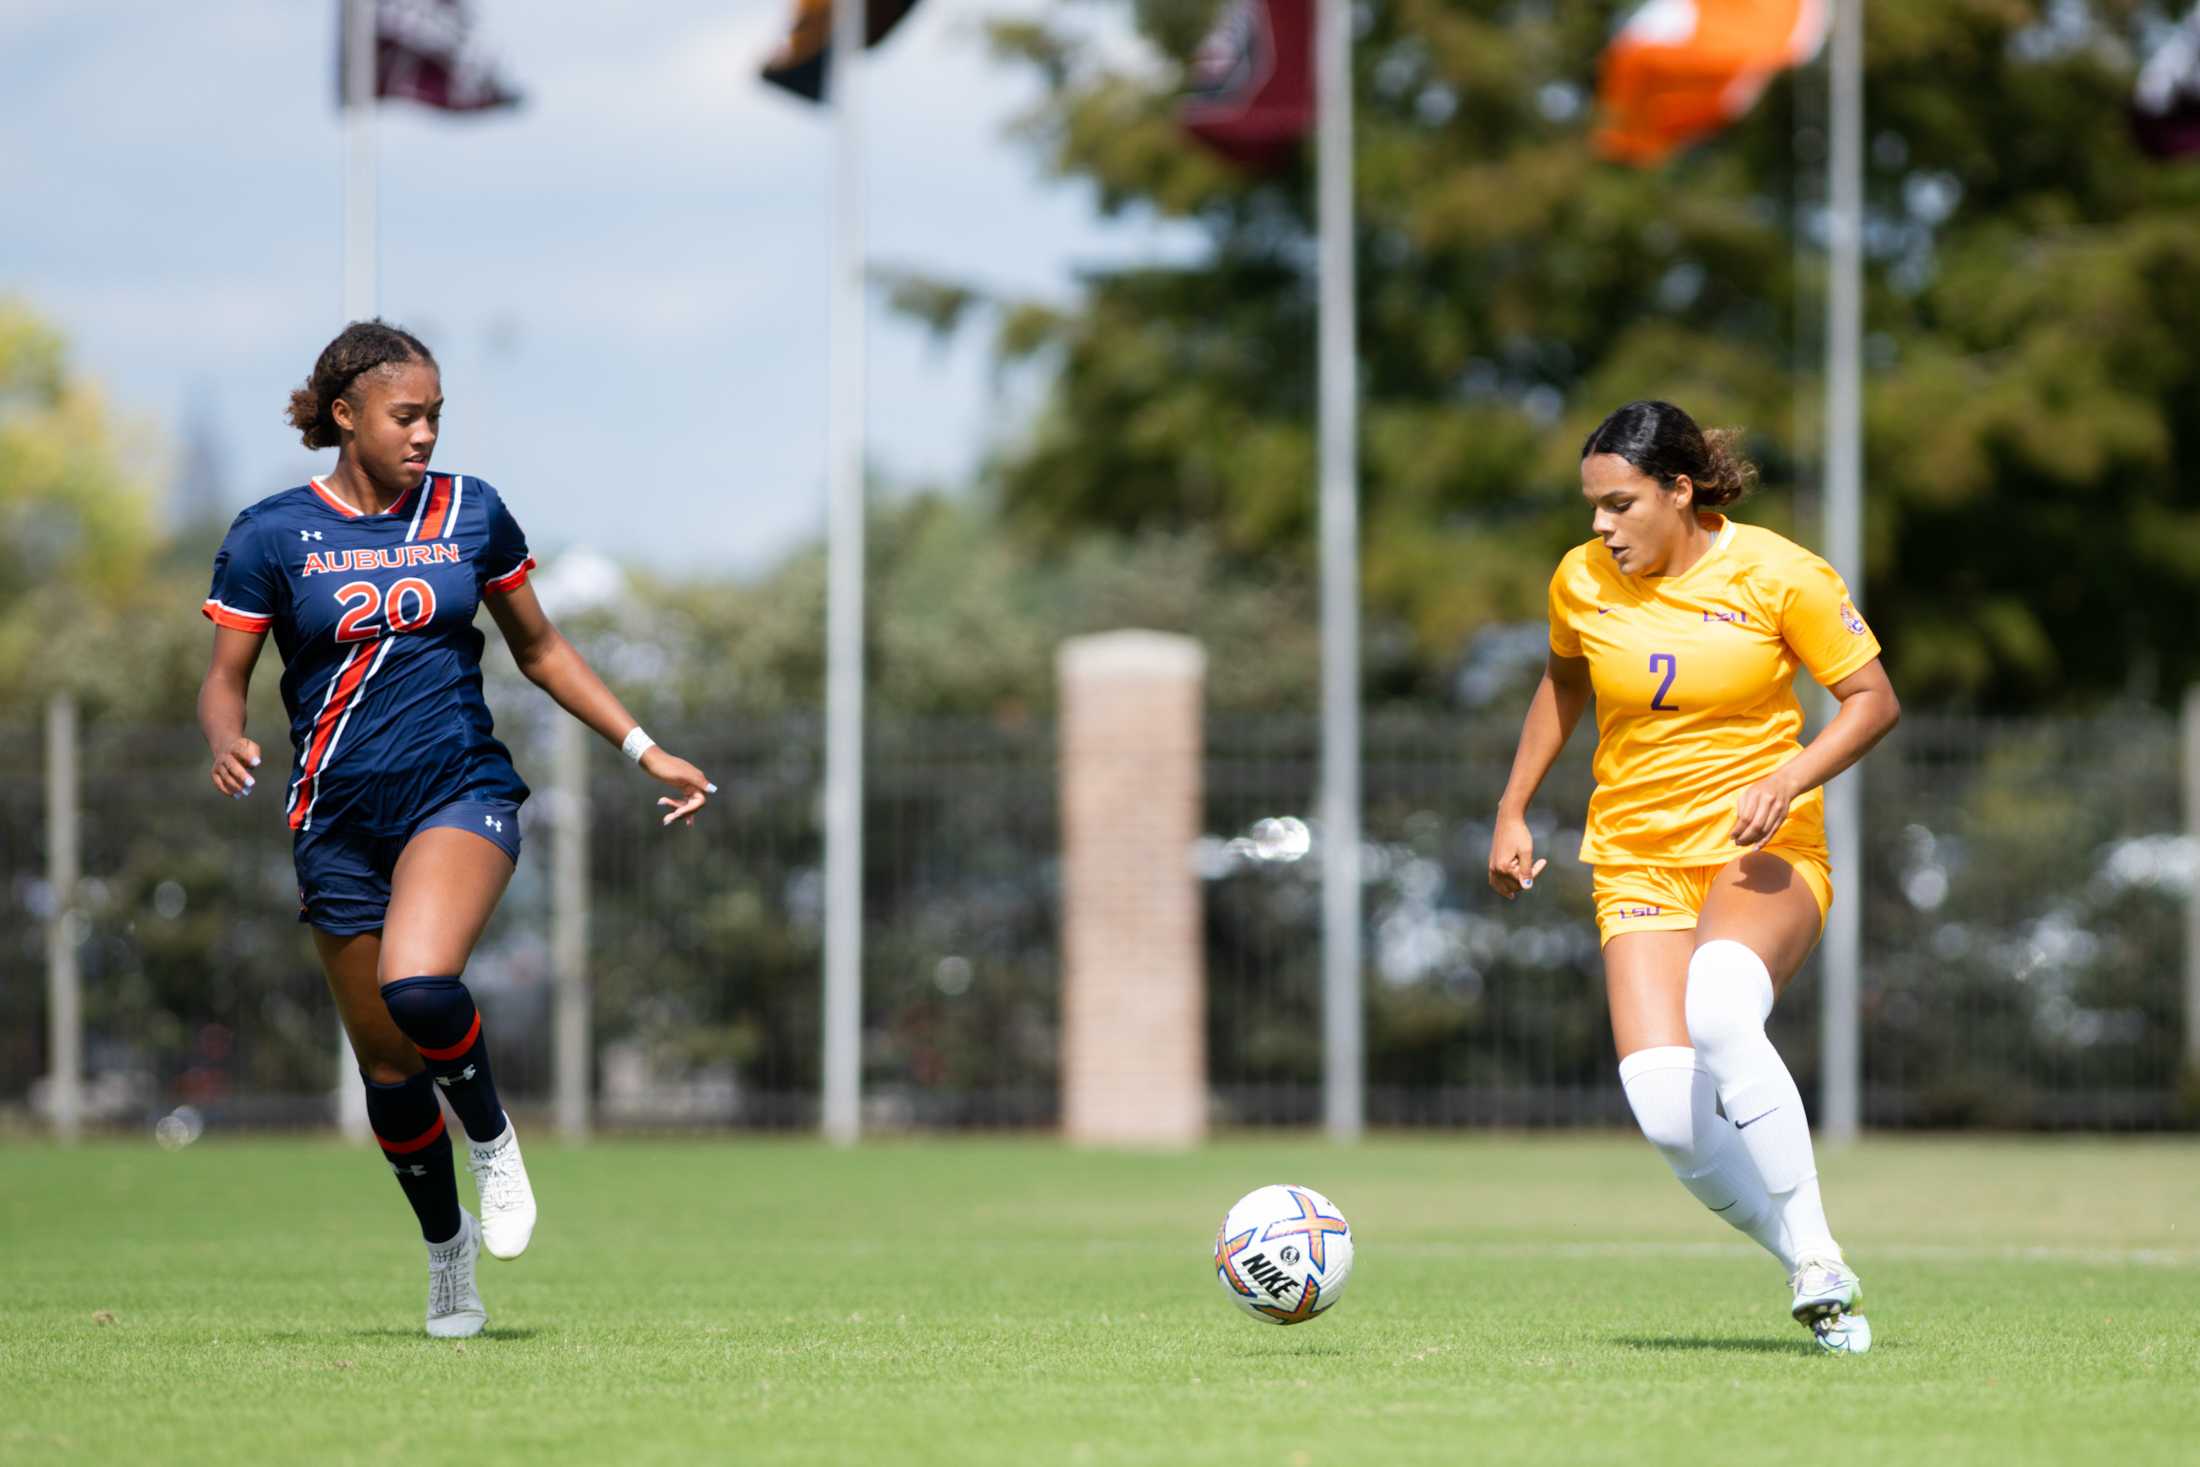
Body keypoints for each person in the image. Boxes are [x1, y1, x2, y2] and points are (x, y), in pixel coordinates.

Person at [196, 320, 715, 1338]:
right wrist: (227, 739)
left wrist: (645, 747)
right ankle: (447, 1258)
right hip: (337, 821)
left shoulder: (471, 514)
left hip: (457, 791)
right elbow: (225, 681)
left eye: (435, 414)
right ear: (346, 416)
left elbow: (543, 649)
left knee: (420, 985)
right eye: (406, 415)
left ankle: (492, 1140)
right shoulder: (271, 535)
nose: (425, 432)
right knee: (388, 1070)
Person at [1486, 400, 1899, 1354]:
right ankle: (1804, 1260)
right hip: (1634, 857)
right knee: (1670, 1117)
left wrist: (1789, 775)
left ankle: (1822, 1251)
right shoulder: (1580, 581)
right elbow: (1563, 683)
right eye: (1592, 506)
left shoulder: (1780, 573)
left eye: (1620, 504)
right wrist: (1513, 807)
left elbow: (1873, 700)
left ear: (1681, 490)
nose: (1600, 527)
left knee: (1718, 1011)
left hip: (1764, 847)